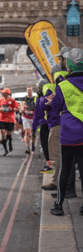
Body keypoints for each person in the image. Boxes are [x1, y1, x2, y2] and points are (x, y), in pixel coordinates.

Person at [49, 48, 83, 216]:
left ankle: (59, 205)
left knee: (65, 169)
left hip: (69, 134)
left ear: (68, 66)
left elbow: (55, 109)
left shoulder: (63, 85)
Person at [32, 79, 52, 171]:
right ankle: (51, 164)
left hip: (46, 124)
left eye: (38, 87)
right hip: (50, 124)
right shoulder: (50, 96)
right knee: (49, 146)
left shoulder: (42, 98)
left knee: (47, 146)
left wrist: (34, 127)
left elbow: (38, 113)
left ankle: (50, 165)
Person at [0, 87, 19, 156]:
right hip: (2, 118)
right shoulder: (1, 100)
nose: (2, 93)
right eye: (2, 92)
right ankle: (6, 150)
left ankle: (10, 141)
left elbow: (18, 109)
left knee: (9, 134)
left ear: (7, 93)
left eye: (4, 92)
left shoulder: (12, 100)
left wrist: (12, 109)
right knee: (3, 133)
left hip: (10, 119)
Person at [21, 86, 36, 153]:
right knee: (27, 132)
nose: (29, 91)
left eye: (30, 90)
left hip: (33, 117)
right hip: (25, 117)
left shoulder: (35, 99)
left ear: (32, 91)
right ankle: (27, 147)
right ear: (26, 91)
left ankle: (32, 143)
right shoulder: (24, 99)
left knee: (32, 133)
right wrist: (21, 110)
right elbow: (21, 107)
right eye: (28, 90)